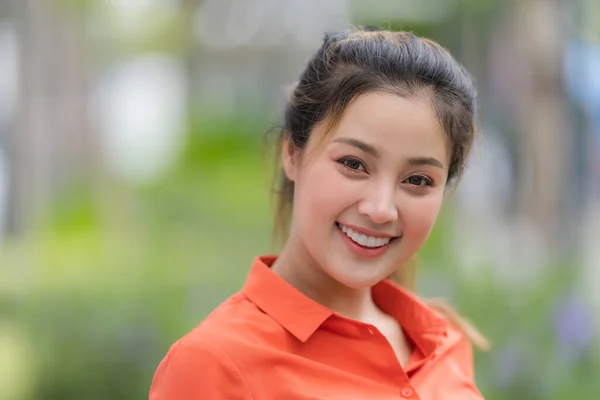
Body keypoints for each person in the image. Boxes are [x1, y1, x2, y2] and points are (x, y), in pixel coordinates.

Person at [149, 27, 489, 399]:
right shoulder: (213, 365)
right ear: (293, 154)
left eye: (418, 179)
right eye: (354, 164)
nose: (380, 209)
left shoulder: (443, 343)